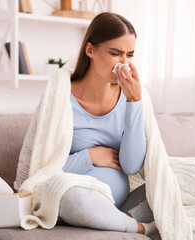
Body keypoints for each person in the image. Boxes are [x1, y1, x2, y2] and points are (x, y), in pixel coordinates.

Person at [58, 12, 157, 236]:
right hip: (77, 200)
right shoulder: (60, 96)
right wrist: (89, 157)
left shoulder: (130, 97)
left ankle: (118, 220)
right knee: (69, 196)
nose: (124, 63)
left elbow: (132, 167)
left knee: (177, 179)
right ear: (90, 50)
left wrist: (134, 102)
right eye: (115, 53)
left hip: (123, 202)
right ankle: (140, 227)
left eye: (130, 55)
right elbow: (44, 170)